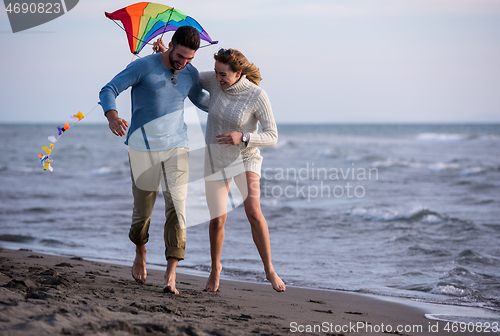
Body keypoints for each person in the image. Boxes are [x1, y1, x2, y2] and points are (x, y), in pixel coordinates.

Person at [99, 26, 209, 294]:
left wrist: (231, 94)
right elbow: (108, 89)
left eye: (190, 59)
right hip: (142, 148)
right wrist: (112, 116)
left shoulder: (189, 73)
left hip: (177, 148)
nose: (183, 63)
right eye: (180, 56)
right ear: (171, 45)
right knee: (142, 215)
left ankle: (171, 274)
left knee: (178, 208)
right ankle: (140, 249)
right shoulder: (144, 67)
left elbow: (202, 101)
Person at [199, 48, 286, 292]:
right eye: (216, 73)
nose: (218, 79)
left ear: (238, 73)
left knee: (253, 211)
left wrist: (244, 137)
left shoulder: (256, 95)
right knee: (217, 219)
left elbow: (272, 136)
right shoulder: (213, 80)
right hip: (215, 158)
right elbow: (187, 73)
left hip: (246, 157)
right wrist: (165, 53)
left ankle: (269, 269)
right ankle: (216, 268)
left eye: (223, 75)